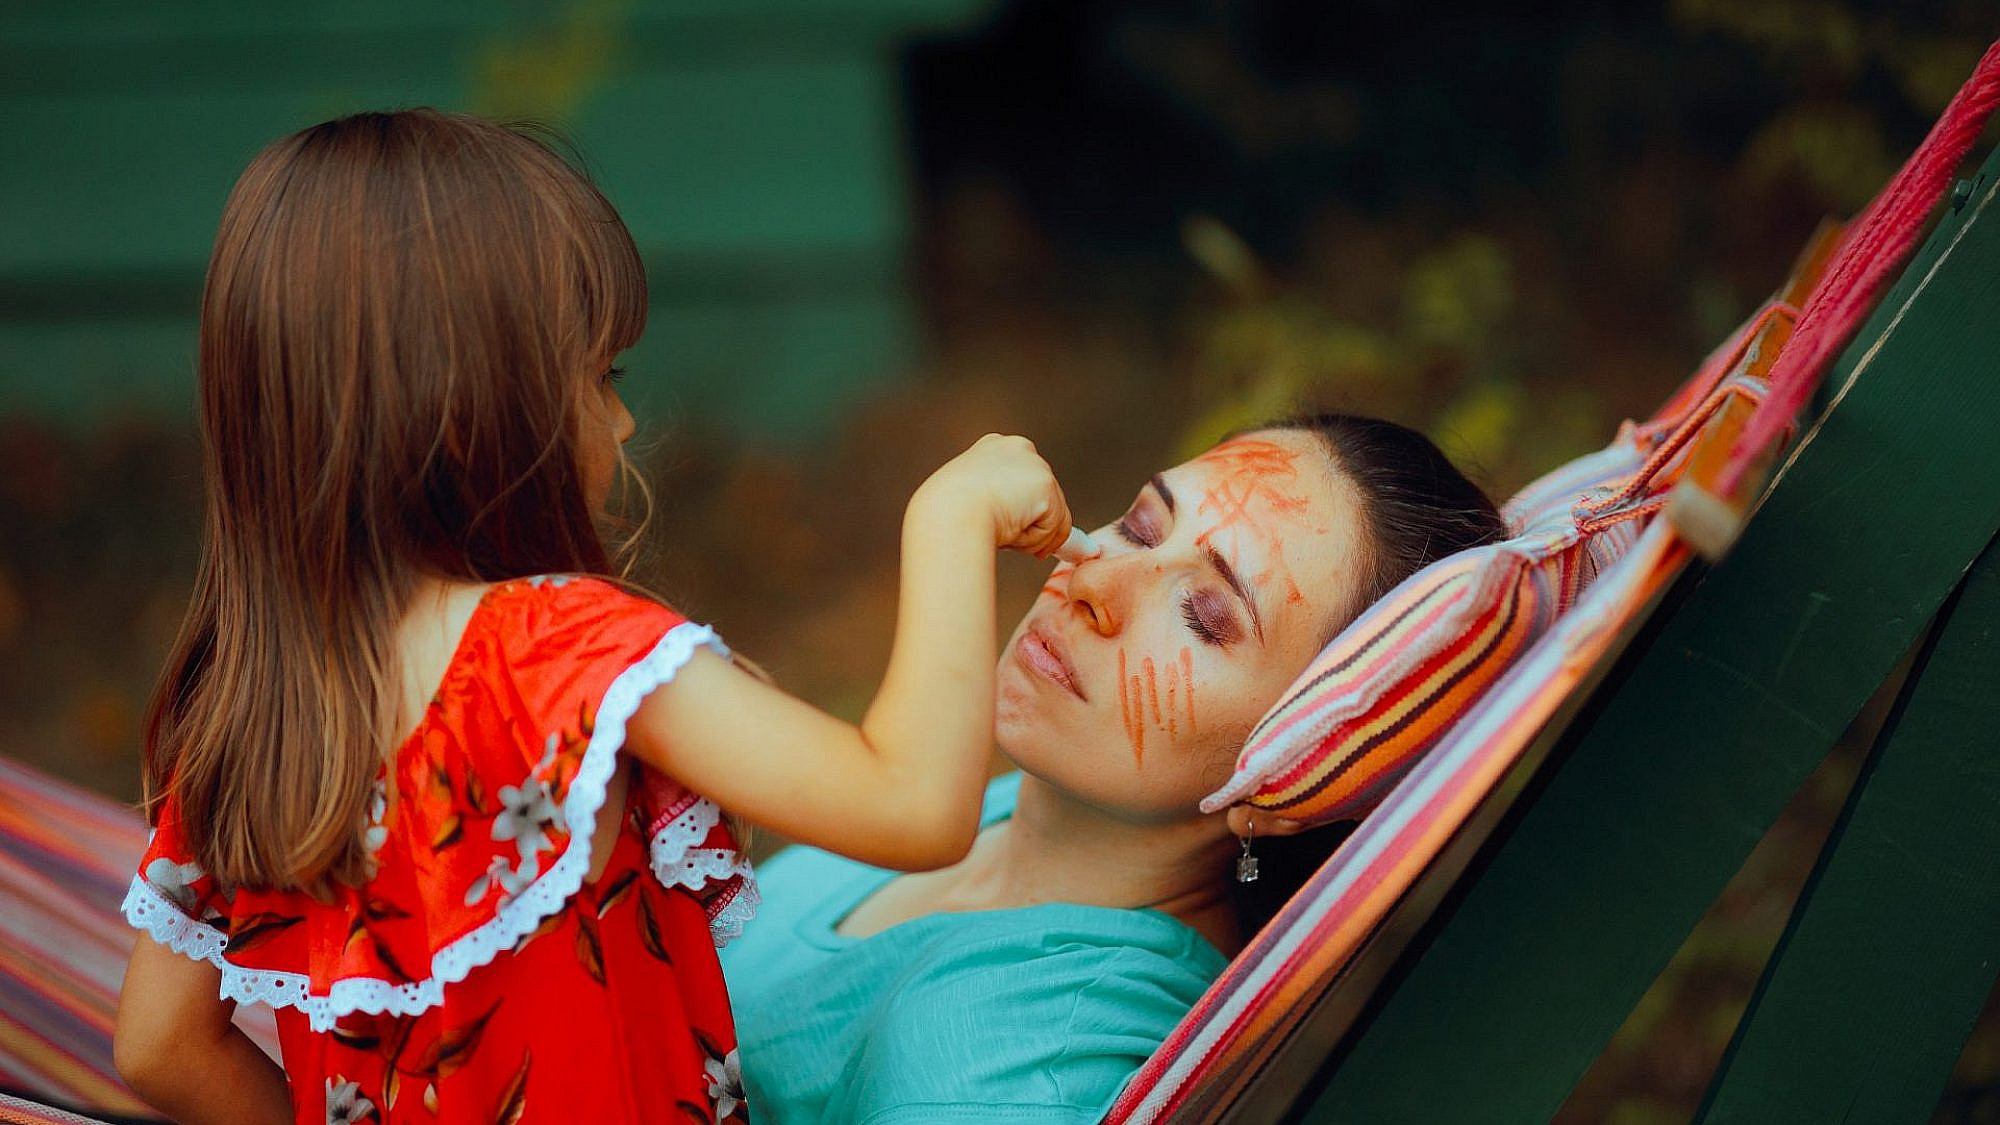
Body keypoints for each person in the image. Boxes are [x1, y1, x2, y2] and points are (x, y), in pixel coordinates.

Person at [111, 108, 1078, 1125]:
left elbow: (160, 1045)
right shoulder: (560, 656)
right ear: (476, 401)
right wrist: (949, 518)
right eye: (600, 376)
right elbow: (913, 808)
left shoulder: (252, 713)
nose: (620, 419)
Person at [722, 416, 1508, 1124]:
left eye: (1205, 617)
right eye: (1140, 526)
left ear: (1299, 774)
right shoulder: (1027, 811)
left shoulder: (1003, 1074)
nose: (1096, 583)